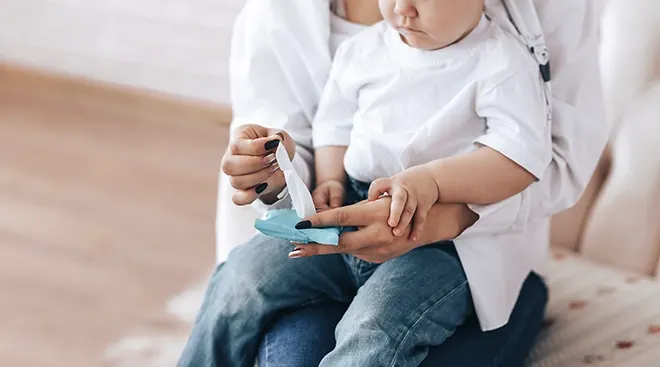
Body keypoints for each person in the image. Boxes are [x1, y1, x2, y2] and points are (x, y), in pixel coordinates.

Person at [182, 0, 607, 366]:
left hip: (442, 248)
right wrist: (321, 177)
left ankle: (521, 304)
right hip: (344, 211)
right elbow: (335, 121)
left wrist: (434, 186)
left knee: (375, 330)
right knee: (242, 278)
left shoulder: (505, 62)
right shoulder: (365, 49)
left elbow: (524, 157)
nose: (401, 9)